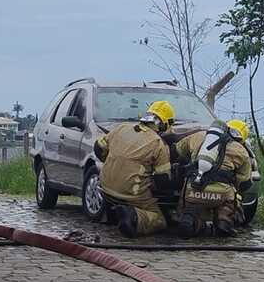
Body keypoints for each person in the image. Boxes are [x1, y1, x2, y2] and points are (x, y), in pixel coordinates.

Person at [92, 100, 175, 237]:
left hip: (105, 185)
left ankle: (114, 212)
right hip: (131, 193)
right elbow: (163, 180)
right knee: (159, 219)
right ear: (164, 124)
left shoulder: (122, 128)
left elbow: (98, 148)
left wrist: (113, 164)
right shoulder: (158, 143)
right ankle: (133, 217)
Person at [172, 118, 253, 237]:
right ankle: (223, 221)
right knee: (229, 203)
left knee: (190, 208)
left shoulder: (198, 136)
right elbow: (244, 182)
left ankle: (192, 221)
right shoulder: (240, 150)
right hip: (222, 193)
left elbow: (176, 151)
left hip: (192, 189)